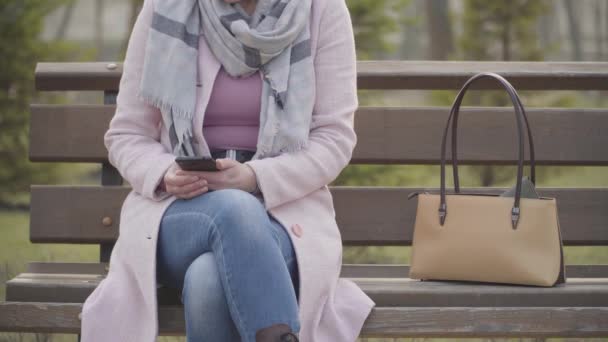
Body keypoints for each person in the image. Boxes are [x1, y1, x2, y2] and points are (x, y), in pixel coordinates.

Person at [88, 0, 376, 341]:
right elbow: (127, 135)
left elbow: (334, 139)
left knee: (207, 281)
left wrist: (254, 177)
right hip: (179, 210)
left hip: (280, 212)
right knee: (235, 209)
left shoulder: (320, 10)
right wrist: (165, 173)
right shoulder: (165, 8)